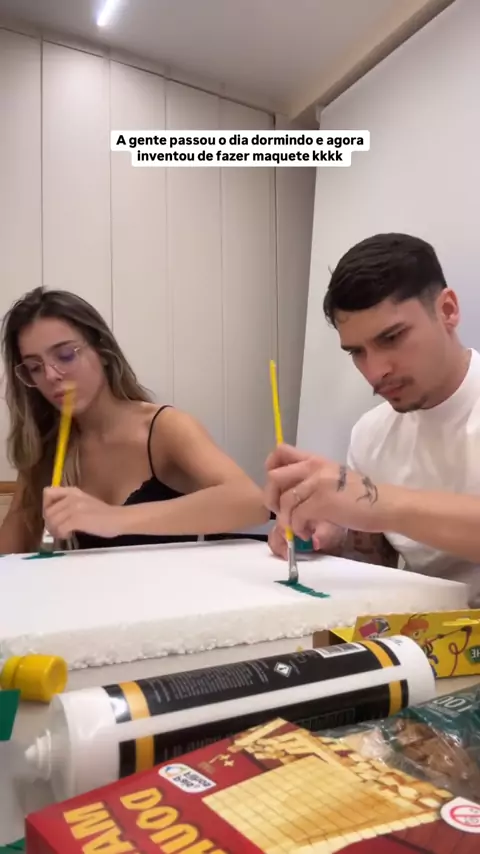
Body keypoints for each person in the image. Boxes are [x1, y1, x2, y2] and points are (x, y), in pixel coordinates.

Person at [266, 232, 480, 592]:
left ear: (447, 310)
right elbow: (379, 560)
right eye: (357, 352)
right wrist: (334, 533)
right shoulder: (371, 434)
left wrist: (378, 503)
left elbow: (382, 506)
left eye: (392, 338)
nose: (375, 371)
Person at [0, 286, 269, 553]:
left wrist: (111, 519)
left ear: (102, 351)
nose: (50, 376)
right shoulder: (43, 448)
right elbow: (8, 554)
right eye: (34, 367)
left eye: (66, 355)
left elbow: (251, 503)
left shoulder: (163, 429)